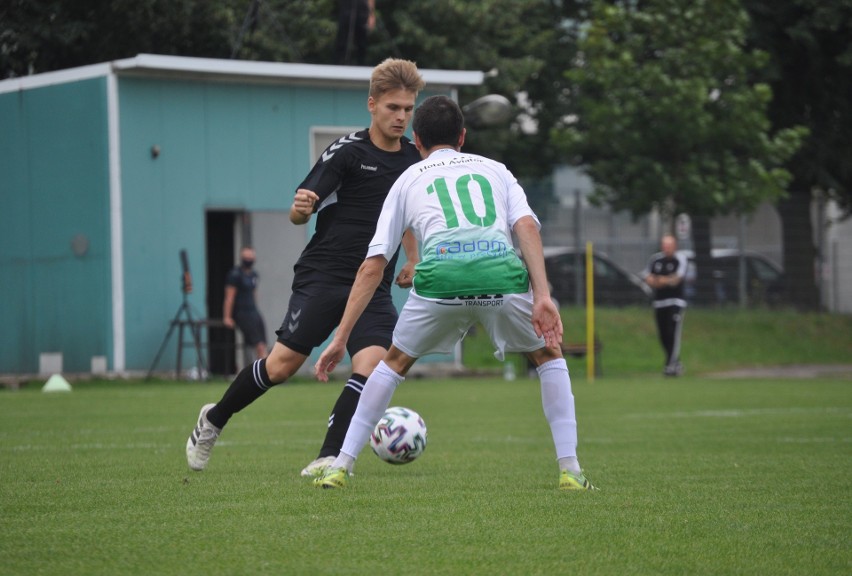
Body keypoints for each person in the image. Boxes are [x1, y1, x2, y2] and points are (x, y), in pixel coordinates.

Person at [312, 95, 596, 491]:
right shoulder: (496, 170)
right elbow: (527, 228)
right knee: (548, 353)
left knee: (393, 363)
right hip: (501, 276)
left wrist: (340, 337)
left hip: (441, 283)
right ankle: (571, 470)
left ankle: (340, 467)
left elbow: (372, 265)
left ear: (416, 139)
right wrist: (543, 296)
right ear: (462, 136)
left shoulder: (407, 178)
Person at [185, 58, 425, 474]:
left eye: (407, 108)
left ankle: (330, 458)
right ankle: (213, 419)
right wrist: (300, 210)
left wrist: (413, 258)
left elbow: (404, 214)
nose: (401, 116)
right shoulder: (347, 153)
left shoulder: (413, 160)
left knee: (373, 364)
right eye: (393, 108)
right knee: (281, 366)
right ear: (372, 105)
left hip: (373, 285)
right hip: (324, 276)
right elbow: (301, 212)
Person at [642, 234, 688, 376]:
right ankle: (676, 363)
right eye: (665, 245)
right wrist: (665, 279)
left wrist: (660, 279)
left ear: (675, 246)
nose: (667, 248)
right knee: (663, 335)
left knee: (673, 333)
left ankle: (670, 365)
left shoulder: (680, 259)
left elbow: (676, 280)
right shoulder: (655, 259)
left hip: (675, 302)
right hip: (659, 303)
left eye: (670, 245)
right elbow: (648, 278)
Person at [223, 246, 267, 361]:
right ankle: (265, 374)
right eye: (246, 257)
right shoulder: (235, 275)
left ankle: (264, 372)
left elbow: (254, 293)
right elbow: (229, 297)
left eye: (250, 257)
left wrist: (255, 309)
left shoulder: (254, 275)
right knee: (259, 345)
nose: (248, 259)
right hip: (242, 313)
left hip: (253, 312)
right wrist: (227, 317)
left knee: (263, 343)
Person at [334, 0, 375, 66]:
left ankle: (361, 67)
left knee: (362, 44)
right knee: (341, 42)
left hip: (363, 12)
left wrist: (371, 15)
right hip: (346, 10)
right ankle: (337, 66)